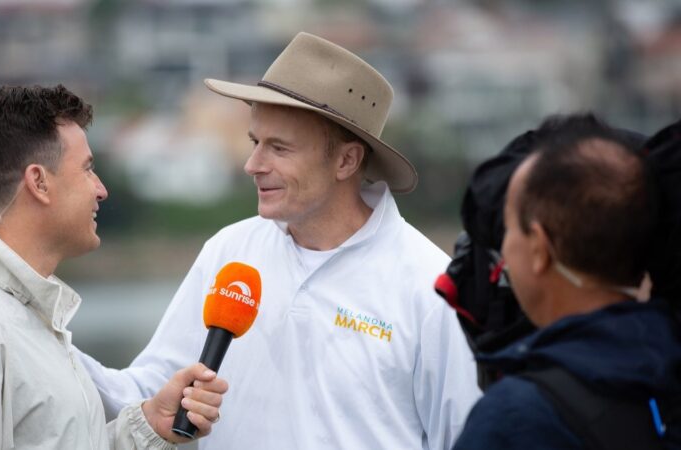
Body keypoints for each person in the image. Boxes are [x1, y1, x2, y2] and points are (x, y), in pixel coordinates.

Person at [77, 32, 481, 449]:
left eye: (279, 148)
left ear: (347, 160)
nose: (252, 164)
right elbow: (150, 389)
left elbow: (466, 438)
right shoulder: (229, 250)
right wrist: (35, 338)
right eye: (255, 142)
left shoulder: (432, 287)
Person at [0, 85, 227, 450]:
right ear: (39, 182)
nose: (101, 189)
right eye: (87, 169)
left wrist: (146, 426)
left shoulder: (20, 315)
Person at [452, 114, 681, 449]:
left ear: (540, 248)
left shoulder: (516, 418)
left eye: (511, 228)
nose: (504, 248)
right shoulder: (665, 370)